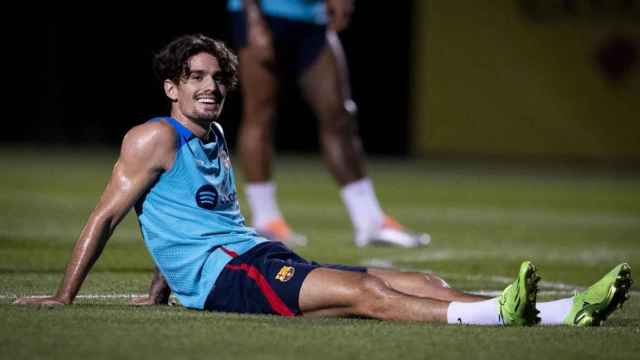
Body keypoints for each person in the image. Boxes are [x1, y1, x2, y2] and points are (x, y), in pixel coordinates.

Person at [15, 35, 632, 327]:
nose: (210, 88)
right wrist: (64, 297)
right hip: (233, 274)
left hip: (250, 259)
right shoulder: (152, 137)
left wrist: (161, 286)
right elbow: (106, 216)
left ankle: (557, 311)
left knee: (416, 279)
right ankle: (511, 313)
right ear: (171, 87)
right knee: (366, 295)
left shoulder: (216, 137)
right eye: (195, 78)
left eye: (219, 79)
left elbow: (185, 218)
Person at [227, 0, 429, 247]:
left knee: (339, 113)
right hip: (263, 12)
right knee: (260, 113)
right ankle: (266, 219)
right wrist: (253, 18)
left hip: (312, 16)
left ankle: (369, 221)